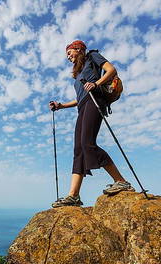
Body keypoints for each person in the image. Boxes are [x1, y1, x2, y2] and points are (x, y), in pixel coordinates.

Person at [49, 40, 134, 208]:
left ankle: (121, 181)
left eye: (69, 52)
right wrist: (61, 106)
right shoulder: (79, 73)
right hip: (83, 106)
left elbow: (111, 70)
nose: (68, 57)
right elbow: (79, 97)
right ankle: (73, 196)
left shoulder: (92, 57)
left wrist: (96, 83)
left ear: (79, 49)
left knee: (88, 143)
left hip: (95, 101)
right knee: (79, 149)